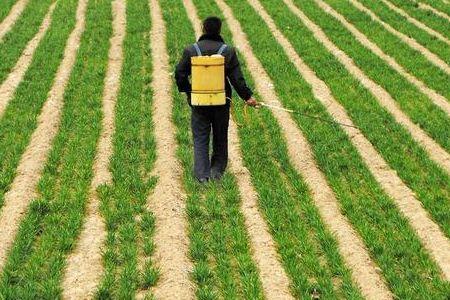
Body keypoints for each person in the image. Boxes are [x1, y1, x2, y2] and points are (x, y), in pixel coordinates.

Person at [175, 16, 258, 183]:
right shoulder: (228, 51)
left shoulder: (191, 51)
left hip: (198, 102)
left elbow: (179, 74)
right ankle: (216, 173)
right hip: (221, 102)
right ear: (219, 30)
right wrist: (248, 97)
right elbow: (237, 80)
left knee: (200, 137)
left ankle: (202, 177)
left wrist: (189, 91)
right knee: (220, 136)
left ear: (203, 29)